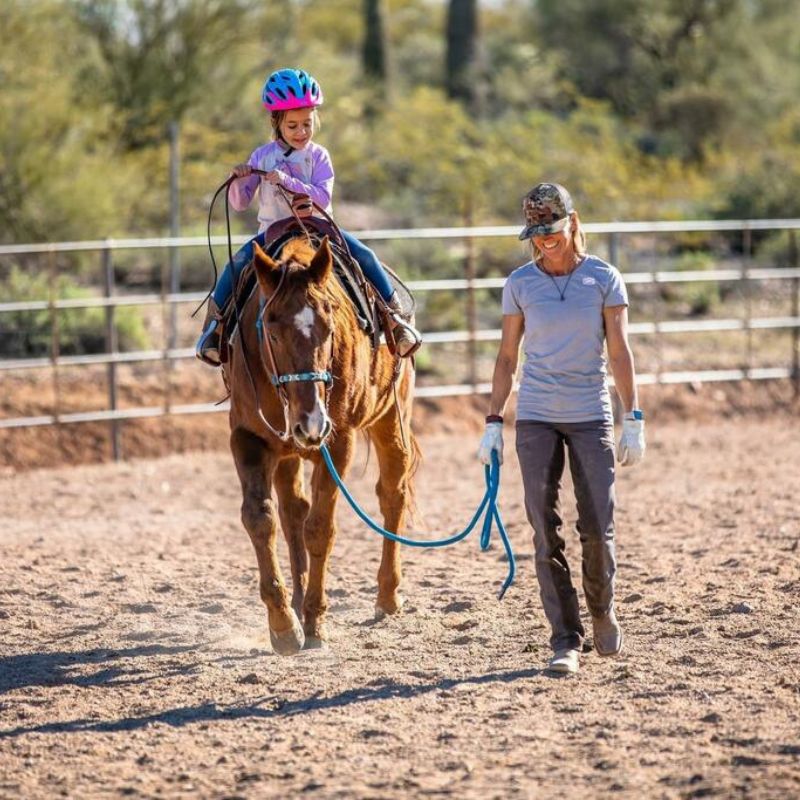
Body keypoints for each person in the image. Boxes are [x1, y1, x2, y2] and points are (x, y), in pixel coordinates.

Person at [478, 182, 646, 675]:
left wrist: (632, 416)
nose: (544, 240)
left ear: (571, 222)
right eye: (536, 233)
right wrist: (493, 421)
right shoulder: (520, 284)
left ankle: (602, 610)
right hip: (535, 416)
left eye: (552, 230)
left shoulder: (604, 278)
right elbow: (508, 357)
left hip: (591, 413)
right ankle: (564, 639)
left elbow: (619, 352)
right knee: (543, 529)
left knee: (597, 526)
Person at [196, 67, 420, 365]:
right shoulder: (261, 156)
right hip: (274, 232)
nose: (301, 132)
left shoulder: (319, 156)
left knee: (364, 255)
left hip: (319, 230)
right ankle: (214, 327)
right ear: (276, 123)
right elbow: (239, 203)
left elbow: (322, 197)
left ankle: (395, 319)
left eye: (306, 123)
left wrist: (286, 180)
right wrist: (238, 179)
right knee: (237, 264)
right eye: (292, 126)